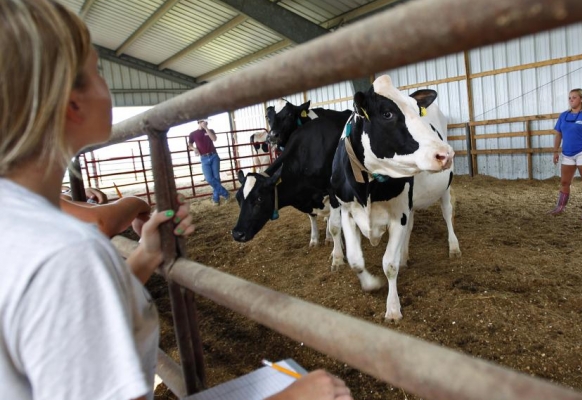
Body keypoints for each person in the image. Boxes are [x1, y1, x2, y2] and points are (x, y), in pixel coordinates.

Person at [0, 2, 352, 400]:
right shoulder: (67, 253)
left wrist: (146, 257)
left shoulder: (17, 223)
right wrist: (289, 398)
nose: (106, 83)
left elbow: (67, 322)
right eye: (97, 70)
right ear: (72, 103)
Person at [549, 88, 582, 220]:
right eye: (570, 98)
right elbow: (558, 134)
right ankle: (560, 207)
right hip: (567, 153)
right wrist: (555, 151)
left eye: (574, 97)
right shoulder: (563, 116)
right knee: (564, 182)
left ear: (581, 99)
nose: (571, 100)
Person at [187, 119, 230, 205]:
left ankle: (215, 199)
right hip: (203, 158)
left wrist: (206, 128)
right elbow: (190, 145)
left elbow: (214, 139)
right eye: (204, 121)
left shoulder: (210, 130)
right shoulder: (193, 134)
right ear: (199, 122)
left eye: (206, 121)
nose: (206, 122)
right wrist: (194, 148)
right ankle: (226, 193)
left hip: (214, 156)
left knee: (216, 178)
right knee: (209, 178)